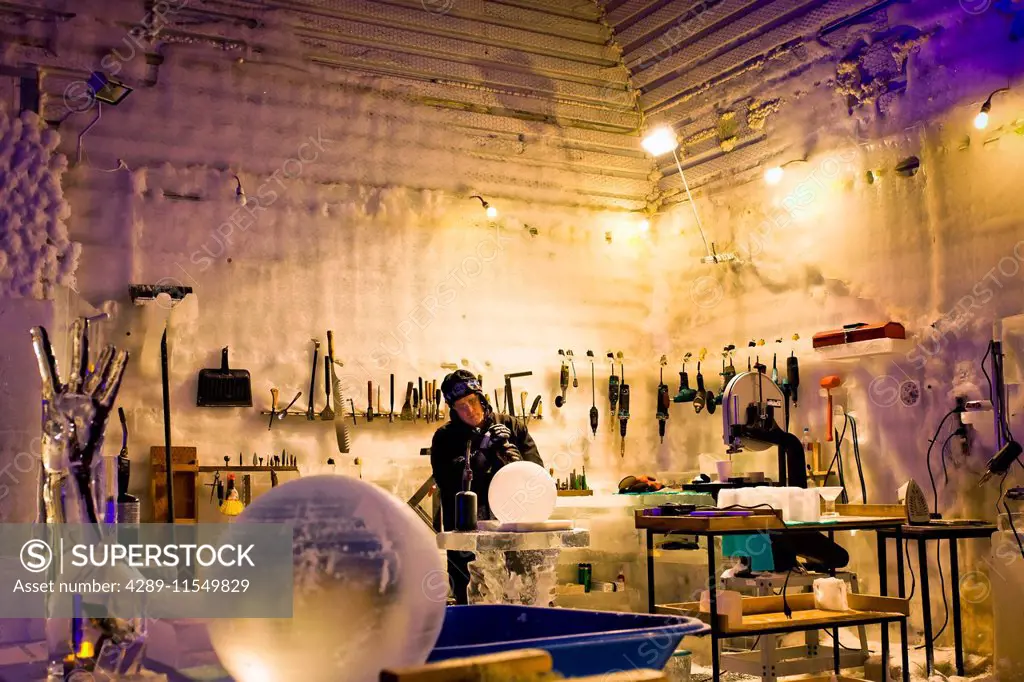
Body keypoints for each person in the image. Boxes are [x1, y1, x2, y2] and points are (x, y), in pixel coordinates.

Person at [430, 370, 543, 604]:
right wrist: (481, 455)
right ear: (452, 408)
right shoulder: (445, 438)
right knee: (472, 599)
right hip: (468, 538)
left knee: (520, 596)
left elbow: (536, 477)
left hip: (512, 530)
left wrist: (509, 455)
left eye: (472, 401)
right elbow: (448, 483)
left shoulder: (512, 426)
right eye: (461, 406)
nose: (469, 411)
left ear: (482, 398)